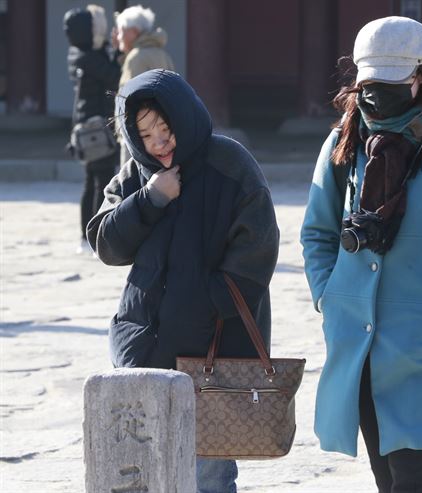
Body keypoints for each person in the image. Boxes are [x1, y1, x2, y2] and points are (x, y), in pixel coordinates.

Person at [300, 16, 422, 493]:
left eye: (390, 82)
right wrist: (329, 299)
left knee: (415, 480)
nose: (376, 94)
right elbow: (317, 234)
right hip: (360, 348)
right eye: (369, 83)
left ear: (421, 78)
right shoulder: (344, 142)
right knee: (387, 481)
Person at [87, 69, 279, 493]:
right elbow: (106, 244)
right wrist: (151, 198)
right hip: (144, 346)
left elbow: (257, 250)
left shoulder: (229, 162)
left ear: (184, 116)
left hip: (213, 347)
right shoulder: (138, 174)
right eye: (146, 135)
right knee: (144, 468)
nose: (159, 142)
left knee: (209, 475)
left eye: (164, 127)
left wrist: (205, 305)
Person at [64, 5, 121, 254]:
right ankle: (95, 236)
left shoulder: (78, 54)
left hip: (88, 127)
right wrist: (119, 53)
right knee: (103, 181)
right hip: (97, 130)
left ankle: (86, 237)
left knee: (91, 181)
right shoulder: (90, 58)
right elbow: (116, 76)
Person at [112, 4, 175, 167]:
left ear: (133, 32)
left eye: (121, 30)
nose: (118, 36)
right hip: (161, 131)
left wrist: (123, 131)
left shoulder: (137, 57)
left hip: (139, 134)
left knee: (133, 184)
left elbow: (128, 100)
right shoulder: (162, 54)